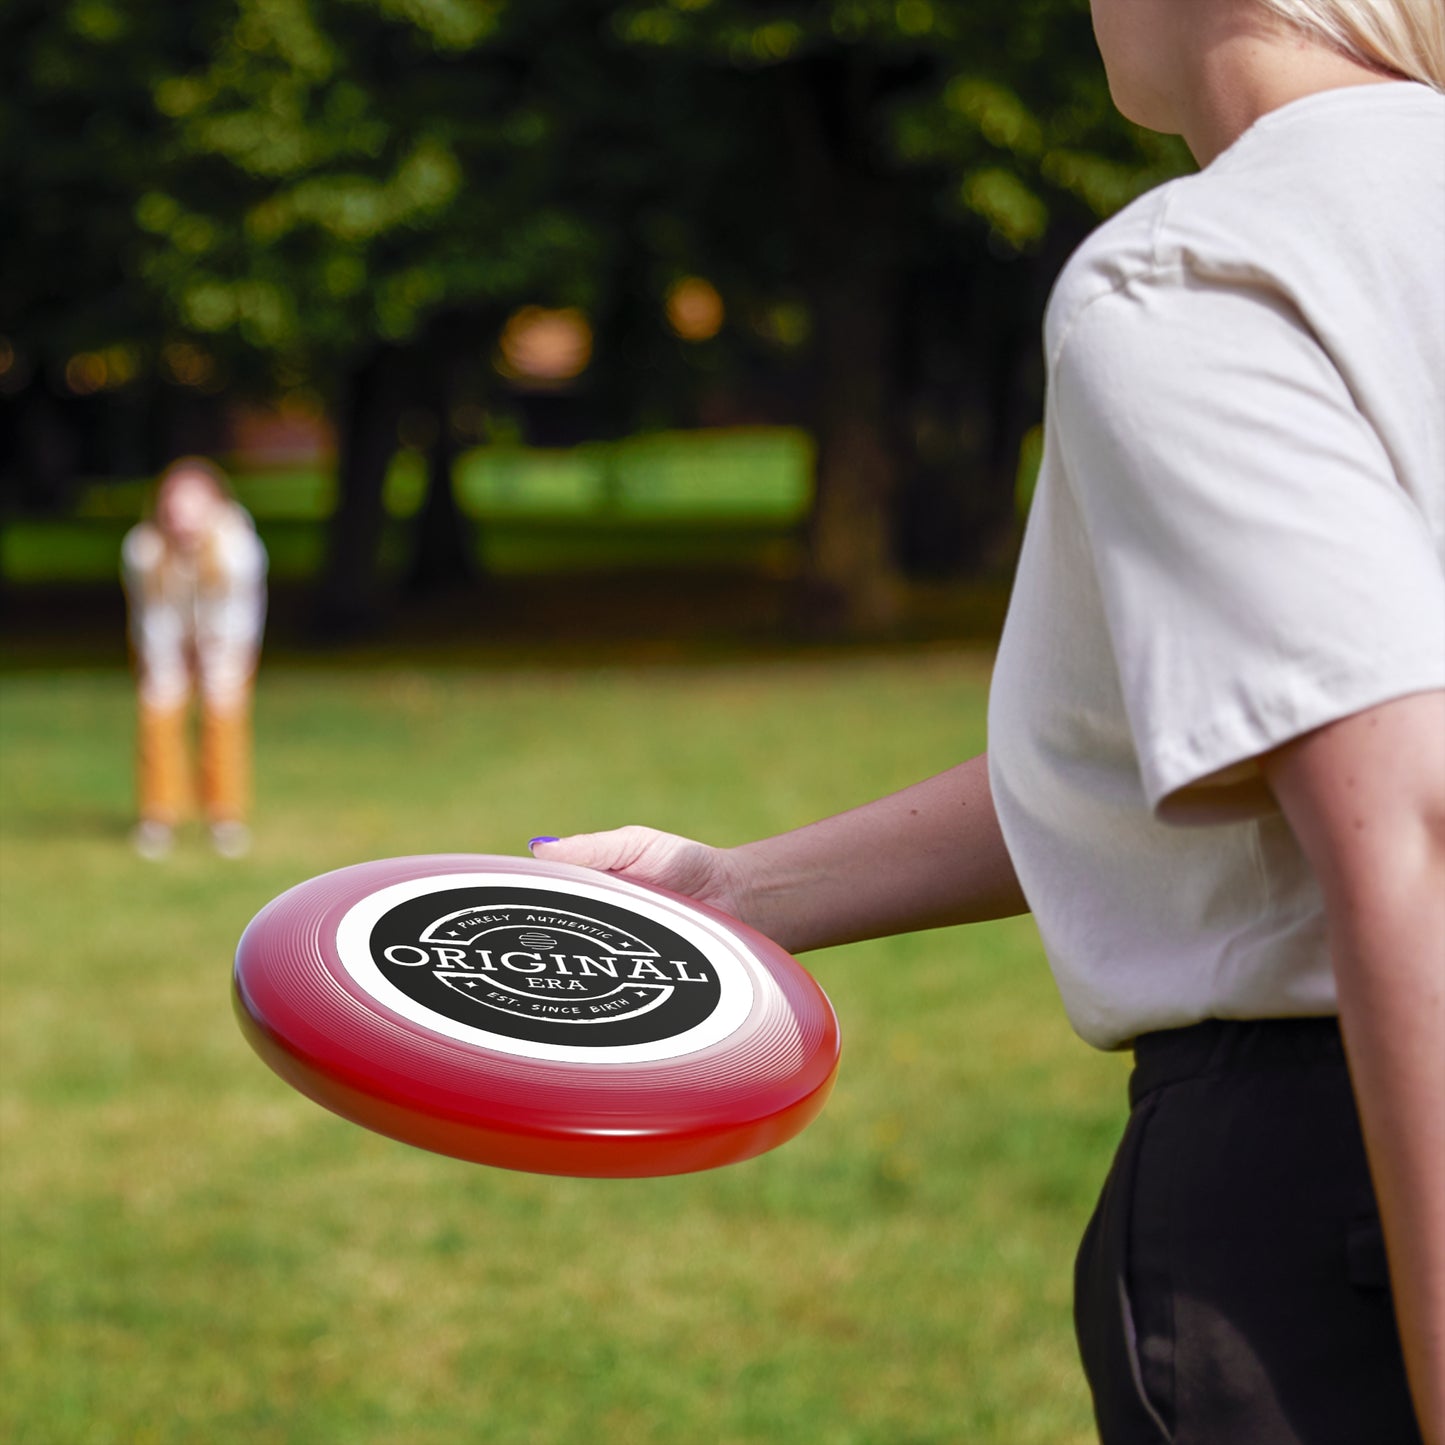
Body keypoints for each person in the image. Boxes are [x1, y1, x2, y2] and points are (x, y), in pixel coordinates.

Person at [528, 2, 1445, 1440]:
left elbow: (1409, 822)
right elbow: (1215, 741)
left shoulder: (1204, 270)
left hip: (1342, 1192)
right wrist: (737, 889)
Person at [121, 457, 268, 860]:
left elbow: (238, 616)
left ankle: (225, 817)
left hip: (226, 641)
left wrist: (215, 660)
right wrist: (168, 665)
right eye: (174, 506)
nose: (182, 517)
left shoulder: (238, 549)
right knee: (158, 713)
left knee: (223, 717)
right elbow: (152, 616)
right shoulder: (143, 549)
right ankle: (158, 816)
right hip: (165, 640)